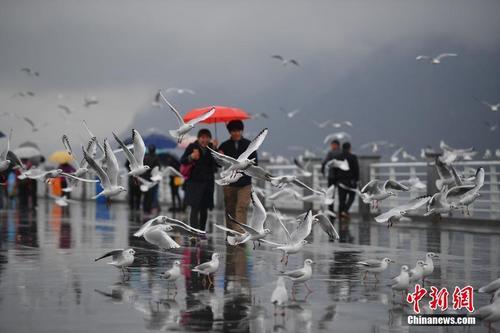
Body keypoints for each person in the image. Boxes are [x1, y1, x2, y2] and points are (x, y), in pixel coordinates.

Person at [218, 120, 256, 232]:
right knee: (230, 209)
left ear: (242, 130)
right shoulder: (224, 146)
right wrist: (217, 151)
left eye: (238, 130)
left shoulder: (249, 145)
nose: (236, 133)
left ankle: (239, 234)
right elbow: (217, 164)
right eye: (233, 131)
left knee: (241, 208)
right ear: (230, 132)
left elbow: (255, 163)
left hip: (245, 183)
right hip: (229, 183)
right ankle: (230, 233)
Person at [181, 129, 218, 232]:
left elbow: (218, 165)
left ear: (210, 138)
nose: (204, 140)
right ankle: (194, 231)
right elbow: (182, 160)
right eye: (202, 137)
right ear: (198, 138)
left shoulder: (212, 148)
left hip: (208, 183)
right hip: (194, 182)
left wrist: (216, 150)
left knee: (204, 208)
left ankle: (201, 231)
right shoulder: (192, 147)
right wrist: (191, 157)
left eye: (207, 137)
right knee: (194, 207)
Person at [336, 142, 359, 219]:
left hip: (341, 180)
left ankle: (341, 214)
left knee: (342, 198)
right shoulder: (353, 157)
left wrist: (336, 180)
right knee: (352, 196)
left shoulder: (338, 157)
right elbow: (356, 169)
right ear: (349, 148)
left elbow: (335, 169)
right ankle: (345, 211)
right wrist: (357, 179)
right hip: (351, 181)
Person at [321, 139, 341, 211]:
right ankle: (341, 211)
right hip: (340, 177)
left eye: (332, 145)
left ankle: (331, 210)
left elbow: (324, 162)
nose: (331, 146)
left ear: (336, 145)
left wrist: (322, 170)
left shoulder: (331, 153)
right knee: (341, 194)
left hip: (332, 176)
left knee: (330, 194)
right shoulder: (342, 152)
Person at [142, 144, 161, 214]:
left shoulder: (145, 157)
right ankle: (148, 209)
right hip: (152, 179)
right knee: (151, 195)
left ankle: (144, 209)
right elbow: (158, 168)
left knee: (145, 195)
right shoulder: (156, 158)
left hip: (144, 179)